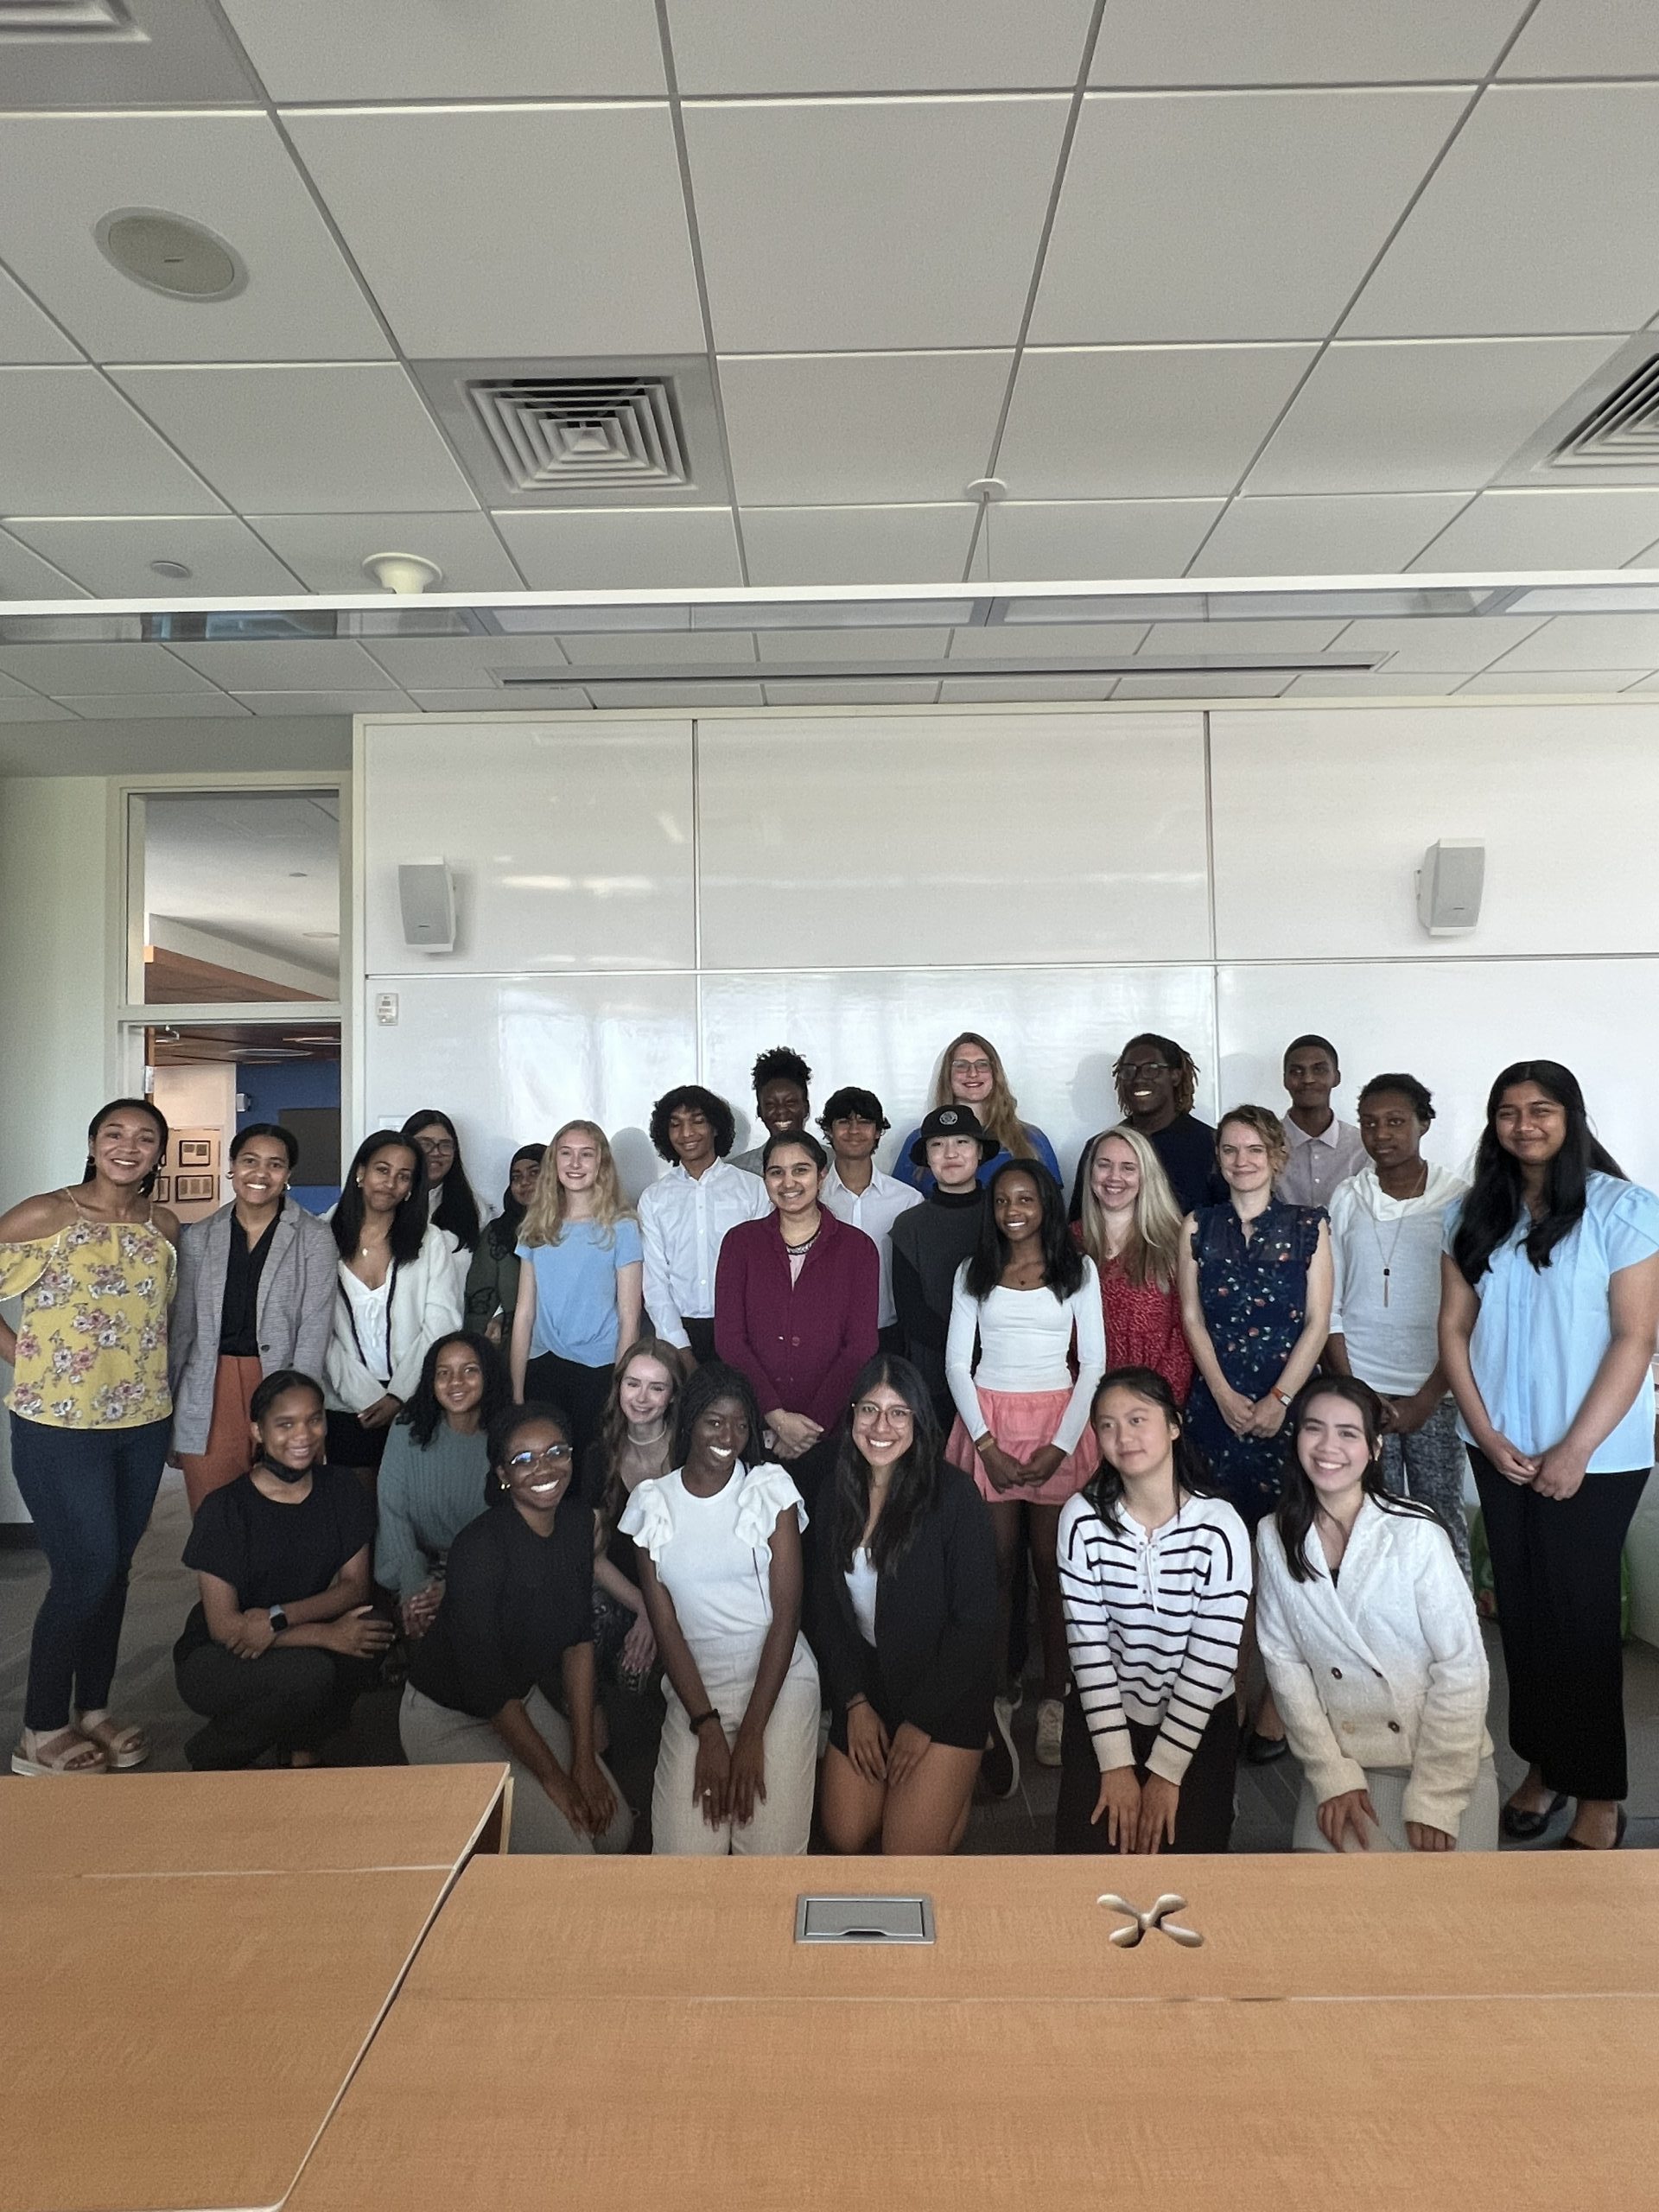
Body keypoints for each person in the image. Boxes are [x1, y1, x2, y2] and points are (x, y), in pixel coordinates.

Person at [1440, 1059, 1659, 1853]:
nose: (1524, 1124)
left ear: (1571, 1117)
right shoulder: (1473, 1213)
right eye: (1508, 1111)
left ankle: (1600, 1795)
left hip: (1596, 1460)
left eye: (1541, 1109)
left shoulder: (1624, 1210)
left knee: (1581, 1624)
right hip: (1500, 1450)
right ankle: (1543, 1766)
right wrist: (1485, 1431)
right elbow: (1454, 1329)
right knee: (1524, 1617)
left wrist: (1576, 1448)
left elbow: (1636, 1337)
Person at [1, 1097, 179, 1777]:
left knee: (117, 1570)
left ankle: (95, 1709)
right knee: (86, 1570)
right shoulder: (48, 1214)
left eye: (145, 1138)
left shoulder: (162, 1225)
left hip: (141, 1422)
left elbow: (158, 1319)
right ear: (92, 1143)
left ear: (159, 1154)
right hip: (59, 1424)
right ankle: (40, 1727)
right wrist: (25, 1357)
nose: (128, 1147)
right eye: (115, 1134)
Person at [1255, 1377, 1498, 1854]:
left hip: (1439, 1760)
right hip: (1346, 1763)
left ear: (1374, 1448)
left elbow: (1462, 1667)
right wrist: (1330, 1775)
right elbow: (1284, 1664)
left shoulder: (1417, 1535)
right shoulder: (1275, 1534)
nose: (1328, 1447)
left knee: (1451, 1900)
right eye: (1314, 1428)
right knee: (1324, 1898)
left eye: (1348, 1433)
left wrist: (1437, 1795)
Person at [400, 1400, 632, 1854]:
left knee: (616, 1831)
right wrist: (556, 1780)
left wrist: (584, 1761)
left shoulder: (576, 1524)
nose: (543, 1468)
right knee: (574, 1848)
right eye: (524, 1459)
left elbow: (578, 1643)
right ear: (503, 1474)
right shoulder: (478, 1550)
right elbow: (487, 1690)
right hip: (448, 1718)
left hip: (520, 1700)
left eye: (556, 1452)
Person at [1178, 1103, 1332, 1763]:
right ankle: (1226, 1696)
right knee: (1221, 1562)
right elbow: (1191, 1317)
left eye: (1253, 1150)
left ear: (1277, 1157)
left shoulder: (1309, 1226)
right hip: (1215, 1410)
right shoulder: (1198, 1225)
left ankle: (1279, 1705)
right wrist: (1220, 1392)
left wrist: (1280, 1399)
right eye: (1230, 1150)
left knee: (1287, 1556)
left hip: (1287, 1410)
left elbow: (1318, 1322)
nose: (1241, 1161)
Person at [620, 1363, 819, 1855]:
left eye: (740, 1424)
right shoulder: (653, 1504)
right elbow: (667, 1628)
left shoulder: (769, 1490)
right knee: (686, 1861)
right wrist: (707, 1729)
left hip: (777, 1679)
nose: (728, 1437)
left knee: (767, 1855)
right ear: (689, 1422)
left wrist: (751, 1734)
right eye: (714, 1421)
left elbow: (787, 1617)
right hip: (696, 1686)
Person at [946, 1160, 1106, 1773]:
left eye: (1026, 1199)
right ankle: (996, 1692)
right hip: (989, 1422)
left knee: (1053, 1567)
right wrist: (985, 1445)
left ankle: (1055, 1696)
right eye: (1003, 1201)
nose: (1013, 1211)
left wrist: (1061, 1447)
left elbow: (1093, 1363)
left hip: (1057, 1424)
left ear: (1046, 1206)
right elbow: (958, 1364)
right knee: (996, 1565)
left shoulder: (1077, 1270)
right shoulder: (974, 1271)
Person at [1054, 1368, 1249, 1855]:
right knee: (1086, 1866)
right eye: (1108, 1425)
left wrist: (1166, 1772)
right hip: (1108, 1710)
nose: (1123, 1436)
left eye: (1137, 1419)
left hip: (1200, 1716)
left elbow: (1212, 1659)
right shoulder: (1080, 1520)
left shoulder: (1220, 1527)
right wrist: (1116, 1764)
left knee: (1185, 1873)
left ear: (1174, 1426)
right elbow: (1088, 1650)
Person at [817, 1354, 997, 1855]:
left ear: (918, 1421)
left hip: (946, 1689)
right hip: (872, 1685)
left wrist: (922, 1723)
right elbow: (826, 1609)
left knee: (906, 1853)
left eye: (898, 1413)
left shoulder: (955, 1497)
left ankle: (969, 1763)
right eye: (869, 1410)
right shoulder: (835, 1492)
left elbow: (977, 1623)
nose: (881, 1427)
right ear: (852, 1414)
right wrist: (854, 1702)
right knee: (846, 1833)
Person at [173, 1369, 391, 1770]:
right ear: (258, 1431)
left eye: (314, 1419)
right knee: (310, 1673)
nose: (303, 1435)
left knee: (372, 1628)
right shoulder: (225, 1509)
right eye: (285, 1424)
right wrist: (325, 1635)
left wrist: (278, 1619)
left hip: (281, 1624)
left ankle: (303, 1743)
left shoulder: (342, 1489)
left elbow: (354, 1588)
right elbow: (225, 1627)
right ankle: (216, 1751)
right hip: (218, 1651)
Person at [1325, 1074, 1471, 1578]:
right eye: (1369, 1123)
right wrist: (1356, 1392)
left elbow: (1471, 1314)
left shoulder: (1459, 1201)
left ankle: (1453, 1620)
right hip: (1362, 1387)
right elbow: (1330, 1305)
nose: (1380, 1134)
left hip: (1437, 1390)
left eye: (1395, 1122)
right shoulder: (1349, 1197)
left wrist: (1427, 1399)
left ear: (1423, 1124)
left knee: (1439, 1517)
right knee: (1368, 1519)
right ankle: (1376, 1621)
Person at [168, 1122, 336, 1515]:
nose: (261, 1173)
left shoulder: (314, 1236)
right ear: (232, 1167)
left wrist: (302, 1407)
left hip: (282, 1379)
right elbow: (183, 1331)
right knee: (213, 1511)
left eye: (275, 1164)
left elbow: (315, 1329)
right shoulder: (199, 1237)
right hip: (210, 1386)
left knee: (284, 1509)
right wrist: (172, 1408)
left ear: (288, 1173)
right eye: (249, 1161)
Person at [715, 1128, 879, 1518]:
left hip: (831, 1432)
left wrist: (810, 1427)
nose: (788, 1183)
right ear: (765, 1179)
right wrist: (775, 1416)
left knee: (829, 1534)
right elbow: (730, 1340)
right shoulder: (740, 1243)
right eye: (777, 1172)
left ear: (822, 1176)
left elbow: (860, 1347)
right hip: (756, 1429)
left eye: (801, 1170)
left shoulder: (858, 1248)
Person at [324, 1132, 461, 1477]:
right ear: (361, 1172)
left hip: (415, 1400)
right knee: (355, 1502)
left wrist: (399, 1395)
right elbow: (316, 1331)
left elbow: (442, 1324)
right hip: (345, 1405)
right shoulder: (320, 1236)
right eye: (382, 1170)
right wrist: (366, 1396)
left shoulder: (430, 1242)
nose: (390, 1183)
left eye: (404, 1176)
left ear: (412, 1187)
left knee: (416, 1498)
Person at [510, 1121, 642, 1459]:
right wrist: (517, 1391)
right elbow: (524, 1313)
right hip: (544, 1364)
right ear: (554, 1162)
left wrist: (620, 1386)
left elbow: (629, 1317)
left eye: (586, 1154)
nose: (575, 1163)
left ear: (601, 1163)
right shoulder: (536, 1226)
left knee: (590, 1466)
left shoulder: (622, 1227)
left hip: (599, 1369)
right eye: (566, 1154)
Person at [374, 1330, 511, 1637]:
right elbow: (392, 1513)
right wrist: (415, 1586)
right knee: (427, 1621)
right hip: (415, 1566)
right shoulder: (407, 1429)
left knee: (477, 1624)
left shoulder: (508, 1437)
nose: (455, 1382)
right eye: (443, 1373)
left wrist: (455, 1587)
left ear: (488, 1375)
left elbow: (510, 1529)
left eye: (469, 1371)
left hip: (487, 1570)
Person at [637, 1084, 767, 1371]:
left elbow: (764, 1271)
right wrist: (680, 1348)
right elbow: (655, 1282)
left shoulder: (753, 1189)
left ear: (715, 1127)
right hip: (676, 1331)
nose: (686, 1133)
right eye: (676, 1124)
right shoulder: (654, 1198)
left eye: (697, 1121)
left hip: (744, 1329)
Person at [582, 1335, 683, 1691]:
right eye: (633, 1384)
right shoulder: (598, 1456)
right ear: (619, 1387)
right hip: (623, 1589)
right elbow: (592, 1556)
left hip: (683, 1593)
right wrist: (644, 1606)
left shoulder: (689, 1453)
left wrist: (660, 1613)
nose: (641, 1398)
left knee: (640, 1682)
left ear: (672, 1396)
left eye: (656, 1388)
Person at [889, 1105, 995, 1427]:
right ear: (927, 1157)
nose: (950, 1153)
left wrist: (986, 1349)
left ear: (979, 1151)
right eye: (937, 1145)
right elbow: (911, 1312)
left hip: (1000, 1366)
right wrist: (961, 1353)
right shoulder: (909, 1225)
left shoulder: (1003, 1216)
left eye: (962, 1142)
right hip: (933, 1375)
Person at [1071, 1124, 1192, 1402]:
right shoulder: (1068, 1242)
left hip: (1154, 1399)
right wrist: (1080, 1405)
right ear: (1090, 1171)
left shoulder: (1175, 1241)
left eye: (1128, 1168)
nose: (1114, 1177)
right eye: (1104, 1165)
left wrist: (1155, 1404)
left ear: (1146, 1176)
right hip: (1083, 1403)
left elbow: (1185, 1334)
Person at [818, 1086, 923, 1353]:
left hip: (888, 1333)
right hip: (821, 1333)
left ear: (878, 1131)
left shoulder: (907, 1201)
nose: (854, 1130)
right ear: (829, 1131)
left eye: (864, 1122)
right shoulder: (812, 1198)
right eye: (844, 1122)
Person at [894, 1032, 1059, 1193]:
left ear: (995, 1073)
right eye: (961, 1065)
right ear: (947, 1075)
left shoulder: (1031, 1140)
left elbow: (1053, 1205)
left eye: (982, 1065)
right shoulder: (919, 1140)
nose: (973, 1073)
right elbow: (900, 1204)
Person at [1084, 1033, 1224, 1220]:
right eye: (1128, 1070)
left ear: (1175, 1076)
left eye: (1151, 1069)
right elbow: (1080, 1223)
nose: (1138, 1079)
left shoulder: (1211, 1145)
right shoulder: (1099, 1147)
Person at [463, 1143, 544, 1340]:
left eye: (534, 1173)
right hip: (512, 1342)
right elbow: (480, 1293)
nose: (524, 1182)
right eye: (516, 1177)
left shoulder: (576, 1229)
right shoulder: (499, 1233)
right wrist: (497, 1318)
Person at [1276, 1034, 1366, 1207]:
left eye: (1319, 1070)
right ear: (1285, 1080)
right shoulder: (1263, 1144)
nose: (1308, 1079)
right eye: (1297, 1071)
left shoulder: (1362, 1146)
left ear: (1336, 1077)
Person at [402, 1107, 487, 1259]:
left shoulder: (476, 1208)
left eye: (445, 1145)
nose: (436, 1153)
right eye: (425, 1144)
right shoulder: (389, 1199)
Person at [729, 1046, 812, 1175]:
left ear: (806, 1107)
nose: (781, 1111)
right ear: (759, 1111)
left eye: (790, 1103)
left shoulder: (833, 1164)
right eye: (770, 1105)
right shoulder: (739, 1172)